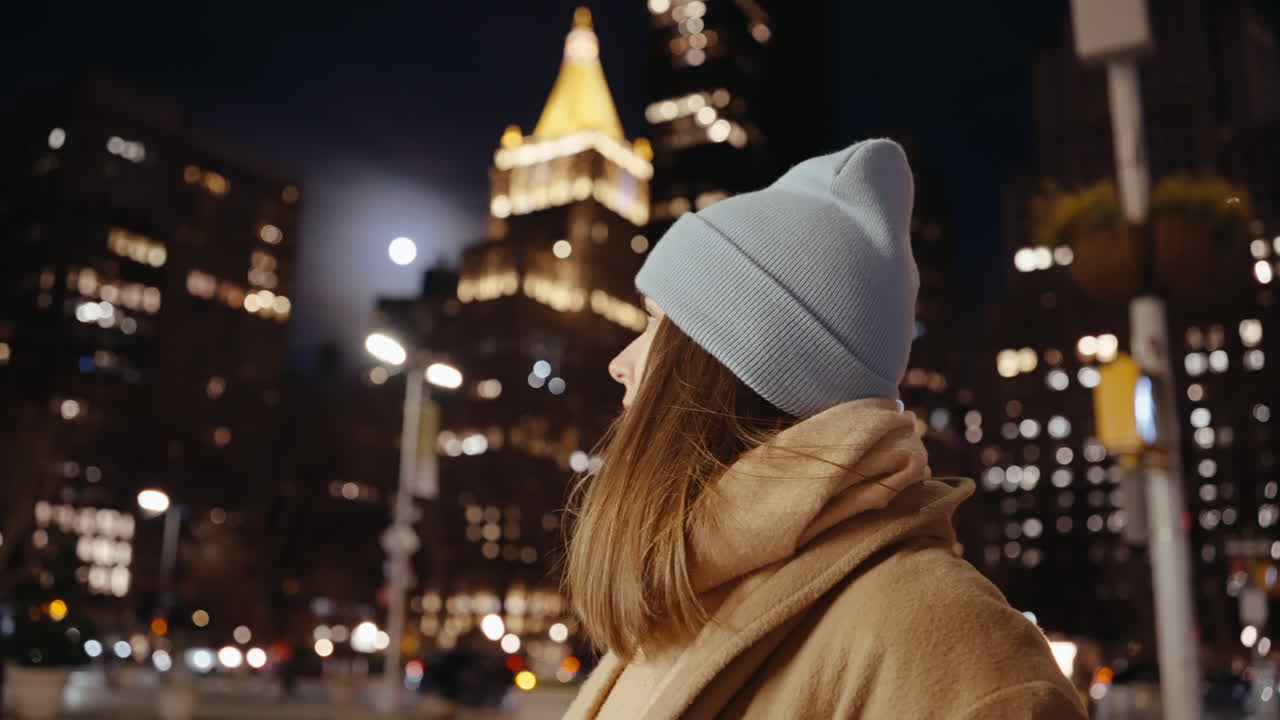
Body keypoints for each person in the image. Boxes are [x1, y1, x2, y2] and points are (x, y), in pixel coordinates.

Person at [561, 140, 1088, 719]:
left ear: (732, 364)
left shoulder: (959, 649)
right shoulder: (681, 604)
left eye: (656, 321)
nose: (621, 361)